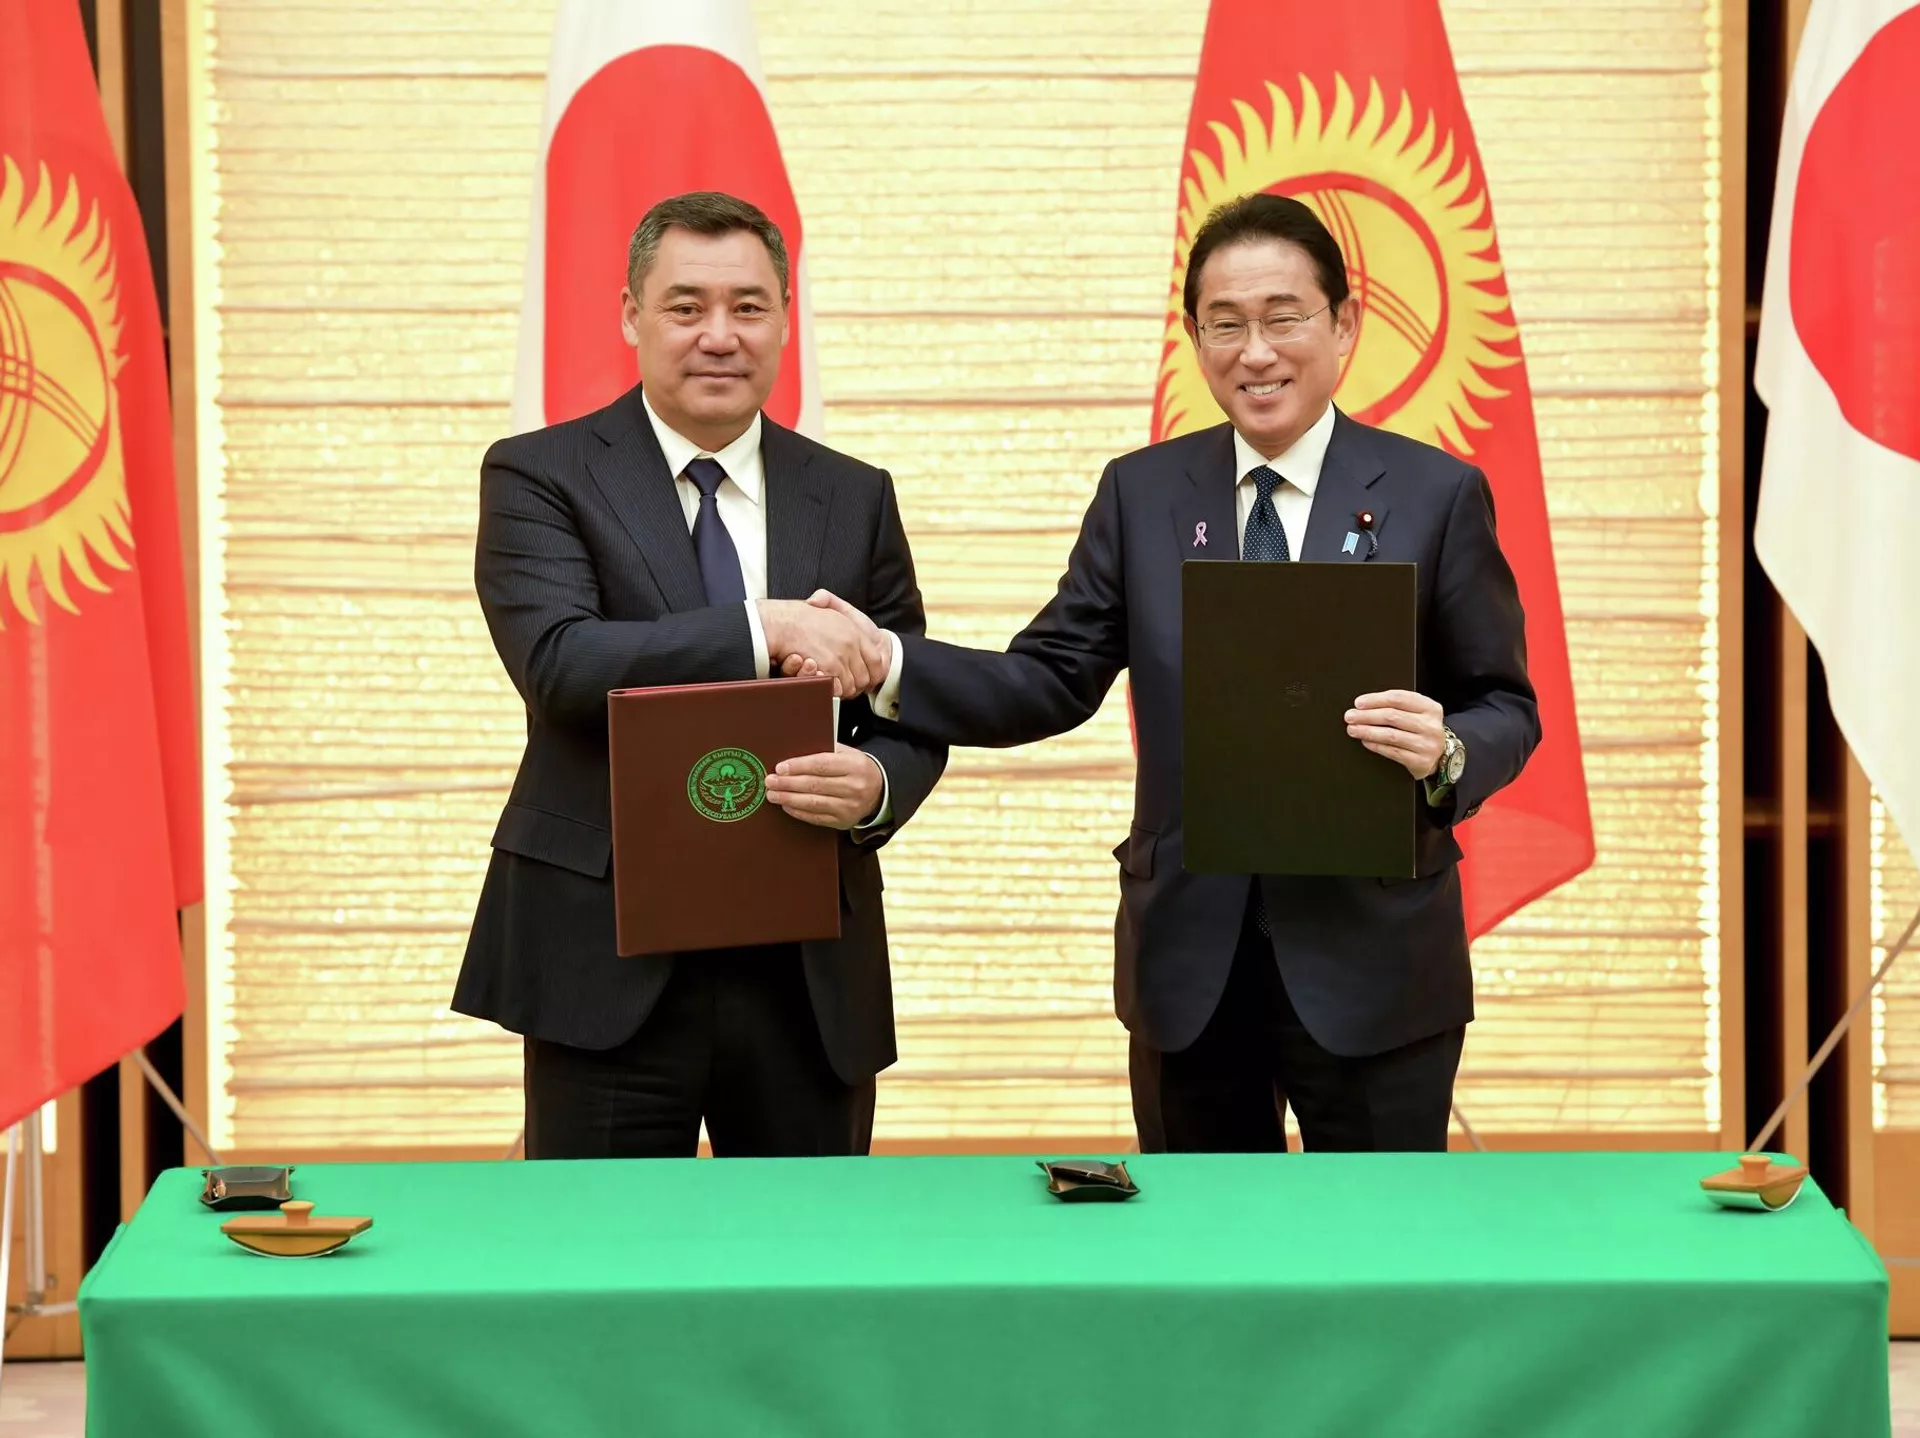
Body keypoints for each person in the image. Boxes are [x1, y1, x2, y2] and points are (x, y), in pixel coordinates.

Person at [808, 193, 1538, 1154]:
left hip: (1375, 960)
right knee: (1199, 1237)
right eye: (1224, 325)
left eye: (1284, 318)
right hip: (1192, 963)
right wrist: (889, 661)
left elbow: (1505, 704)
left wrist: (1447, 750)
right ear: (1195, 339)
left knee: (1377, 1237)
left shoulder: (1436, 494)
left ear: (1344, 324)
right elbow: (1051, 677)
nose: (1256, 352)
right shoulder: (1142, 492)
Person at [456, 191, 946, 1159]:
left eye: (748, 307)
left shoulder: (853, 494)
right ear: (631, 315)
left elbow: (904, 695)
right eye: (686, 307)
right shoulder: (539, 474)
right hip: (607, 960)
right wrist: (762, 627)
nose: (719, 335)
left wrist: (879, 784)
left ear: (785, 320)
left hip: (807, 964)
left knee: (806, 1248)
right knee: (604, 1249)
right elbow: (560, 663)